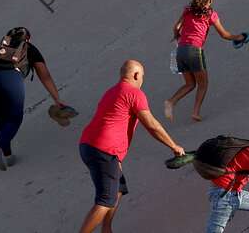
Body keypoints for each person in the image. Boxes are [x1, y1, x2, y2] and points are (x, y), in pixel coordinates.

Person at [78, 60, 185, 233]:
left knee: (118, 189)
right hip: (103, 150)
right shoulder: (134, 93)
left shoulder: (111, 91)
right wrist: (173, 146)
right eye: (142, 76)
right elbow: (151, 125)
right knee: (105, 199)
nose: (142, 80)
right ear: (136, 75)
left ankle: (107, 229)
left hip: (89, 146)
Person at [0, 27, 66, 171]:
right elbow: (45, 76)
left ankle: (8, 155)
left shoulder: (0, 48)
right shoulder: (30, 49)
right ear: (27, 39)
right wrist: (57, 99)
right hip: (9, 79)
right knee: (15, 117)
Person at [164, 0, 247, 122]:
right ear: (211, 0)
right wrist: (238, 37)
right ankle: (195, 112)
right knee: (203, 84)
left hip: (181, 50)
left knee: (190, 84)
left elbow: (177, 27)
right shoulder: (211, 15)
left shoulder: (187, 11)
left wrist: (177, 36)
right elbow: (224, 34)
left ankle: (171, 101)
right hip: (195, 51)